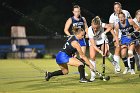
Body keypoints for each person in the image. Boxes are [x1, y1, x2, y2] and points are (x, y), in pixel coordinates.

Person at [88, 16, 119, 81]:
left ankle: (114, 63)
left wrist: (105, 32)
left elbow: (110, 26)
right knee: (92, 56)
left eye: (97, 28)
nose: (95, 29)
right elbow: (93, 45)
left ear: (100, 25)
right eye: (94, 28)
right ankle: (93, 75)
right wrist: (100, 51)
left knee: (106, 52)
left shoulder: (102, 24)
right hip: (94, 42)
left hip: (102, 40)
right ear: (91, 24)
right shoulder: (89, 30)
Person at [64, 5, 89, 76]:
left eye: (78, 11)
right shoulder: (71, 19)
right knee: (74, 56)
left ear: (80, 11)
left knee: (82, 56)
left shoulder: (83, 19)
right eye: (75, 11)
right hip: (74, 41)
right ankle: (78, 70)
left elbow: (86, 27)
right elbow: (65, 30)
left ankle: (82, 72)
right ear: (73, 12)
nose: (77, 13)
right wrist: (70, 36)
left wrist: (87, 33)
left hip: (82, 39)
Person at [109, 2, 132, 72]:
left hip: (127, 34)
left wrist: (131, 33)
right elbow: (111, 27)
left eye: (118, 7)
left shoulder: (126, 12)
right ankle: (117, 67)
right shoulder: (112, 16)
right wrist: (114, 37)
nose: (117, 9)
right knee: (117, 50)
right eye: (115, 8)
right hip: (117, 35)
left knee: (128, 51)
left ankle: (129, 67)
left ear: (120, 7)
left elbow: (131, 21)